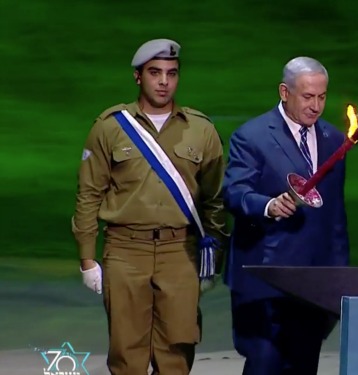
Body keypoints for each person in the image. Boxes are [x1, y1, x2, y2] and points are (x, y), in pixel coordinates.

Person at [71, 38, 228, 375]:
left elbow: (214, 200)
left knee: (177, 351)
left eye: (171, 73)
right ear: (137, 77)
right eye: (155, 72)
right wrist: (87, 257)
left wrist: (212, 260)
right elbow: (88, 194)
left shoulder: (201, 130)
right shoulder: (110, 127)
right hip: (126, 250)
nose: (163, 81)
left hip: (180, 252)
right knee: (127, 354)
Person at [222, 56, 350, 375]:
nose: (316, 106)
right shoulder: (251, 137)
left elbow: (335, 218)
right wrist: (268, 205)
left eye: (322, 96)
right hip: (264, 279)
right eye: (308, 96)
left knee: (304, 366)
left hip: (312, 284)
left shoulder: (334, 140)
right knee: (265, 365)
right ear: (284, 91)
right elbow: (234, 192)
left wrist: (339, 277)